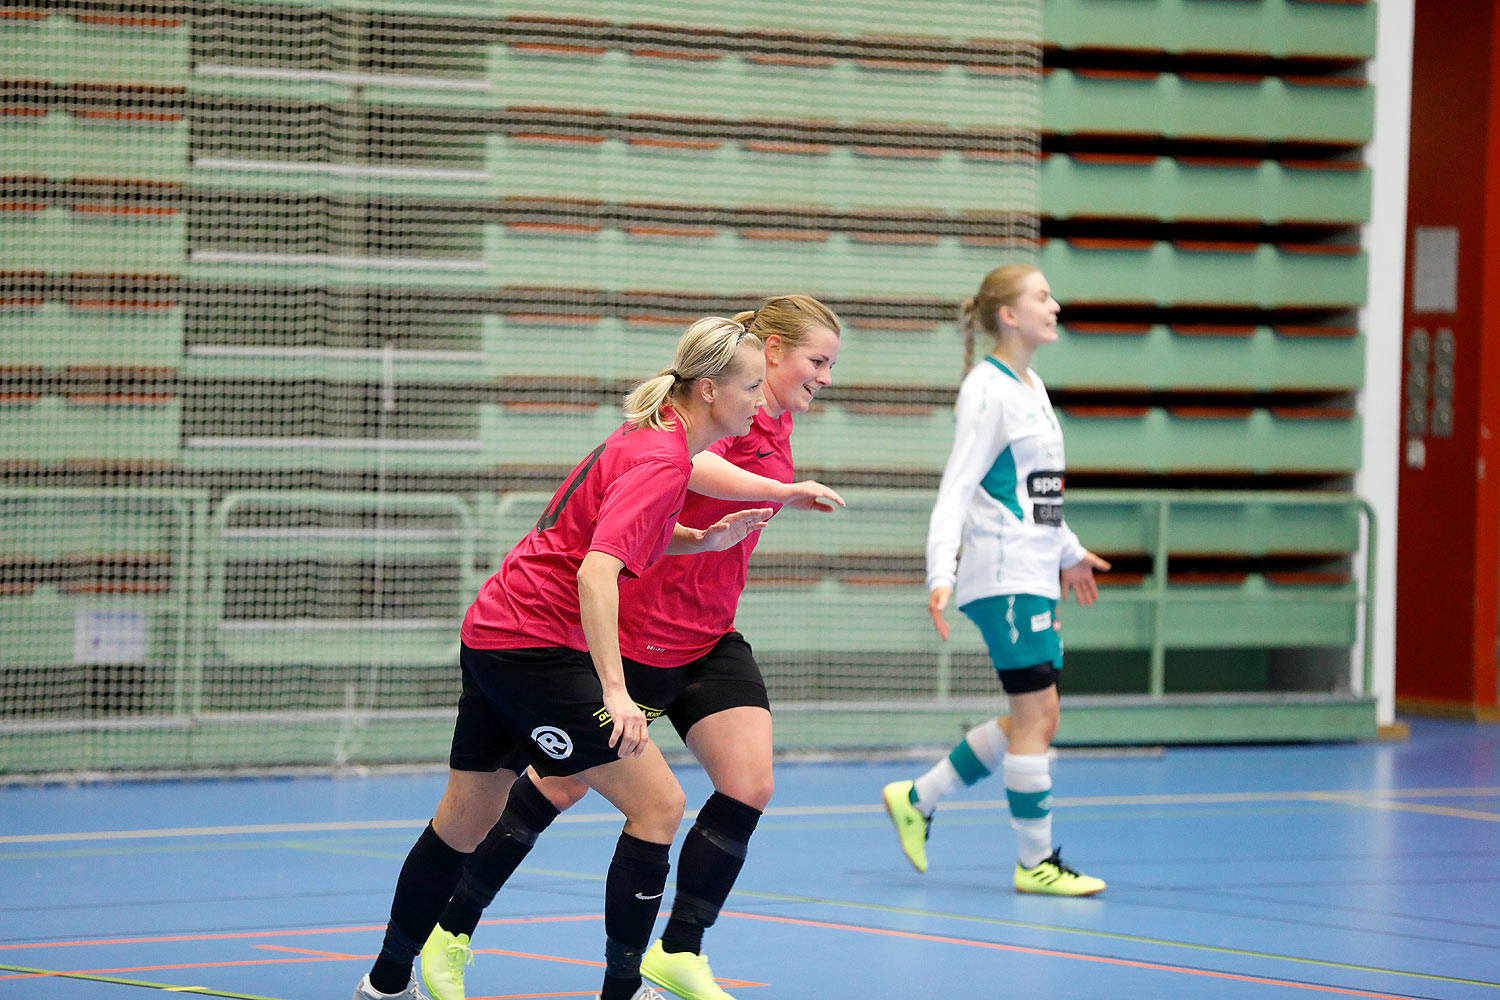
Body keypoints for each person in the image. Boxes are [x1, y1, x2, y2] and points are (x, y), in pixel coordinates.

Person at [416, 296, 845, 1000]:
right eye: (817, 360)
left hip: (710, 633)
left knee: (748, 782)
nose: (825, 377)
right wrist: (783, 491)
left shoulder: (773, 415)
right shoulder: (719, 415)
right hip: (644, 632)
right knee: (559, 784)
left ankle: (679, 951)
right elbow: (687, 469)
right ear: (769, 351)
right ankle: (451, 930)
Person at [880, 264, 1111, 896]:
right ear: (1008, 315)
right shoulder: (986, 389)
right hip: (1002, 573)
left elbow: (1037, 496)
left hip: (1034, 569)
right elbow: (957, 488)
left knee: (1036, 718)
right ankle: (1035, 863)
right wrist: (939, 571)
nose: (1054, 305)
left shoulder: (1031, 385)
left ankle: (917, 796)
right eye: (1041, 296)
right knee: (1036, 714)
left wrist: (1069, 552)